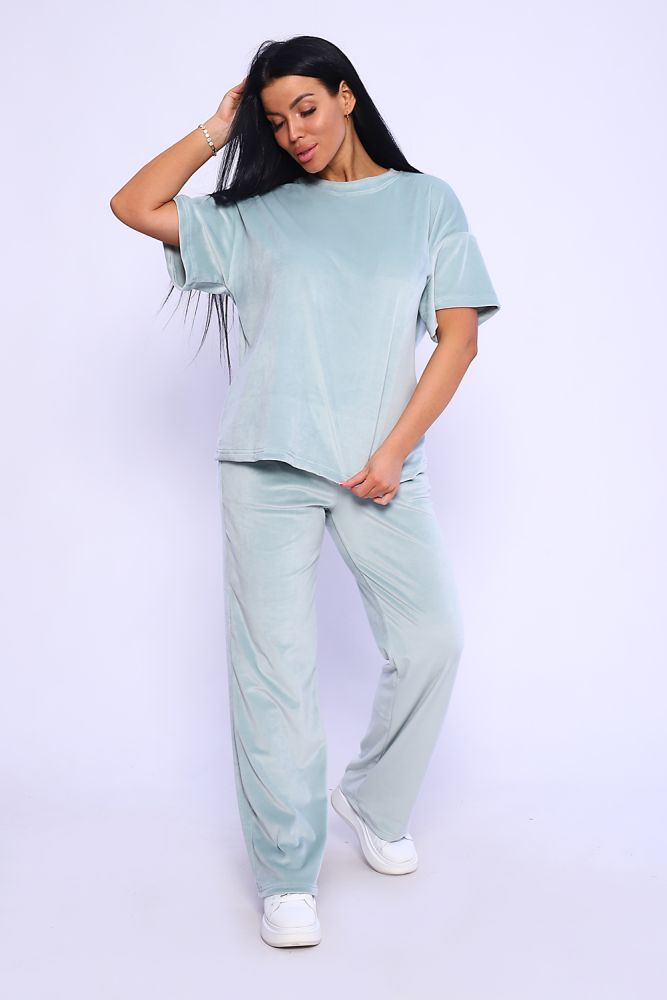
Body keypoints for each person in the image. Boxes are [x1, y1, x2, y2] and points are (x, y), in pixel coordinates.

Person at [110, 34, 500, 949]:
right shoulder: (258, 216)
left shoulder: (425, 203)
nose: (293, 133)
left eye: (307, 109)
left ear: (345, 96)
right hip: (266, 468)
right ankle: (288, 873)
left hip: (380, 471)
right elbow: (134, 205)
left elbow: (457, 339)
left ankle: (373, 800)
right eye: (276, 120)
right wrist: (217, 129)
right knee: (275, 674)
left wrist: (393, 450)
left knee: (432, 641)